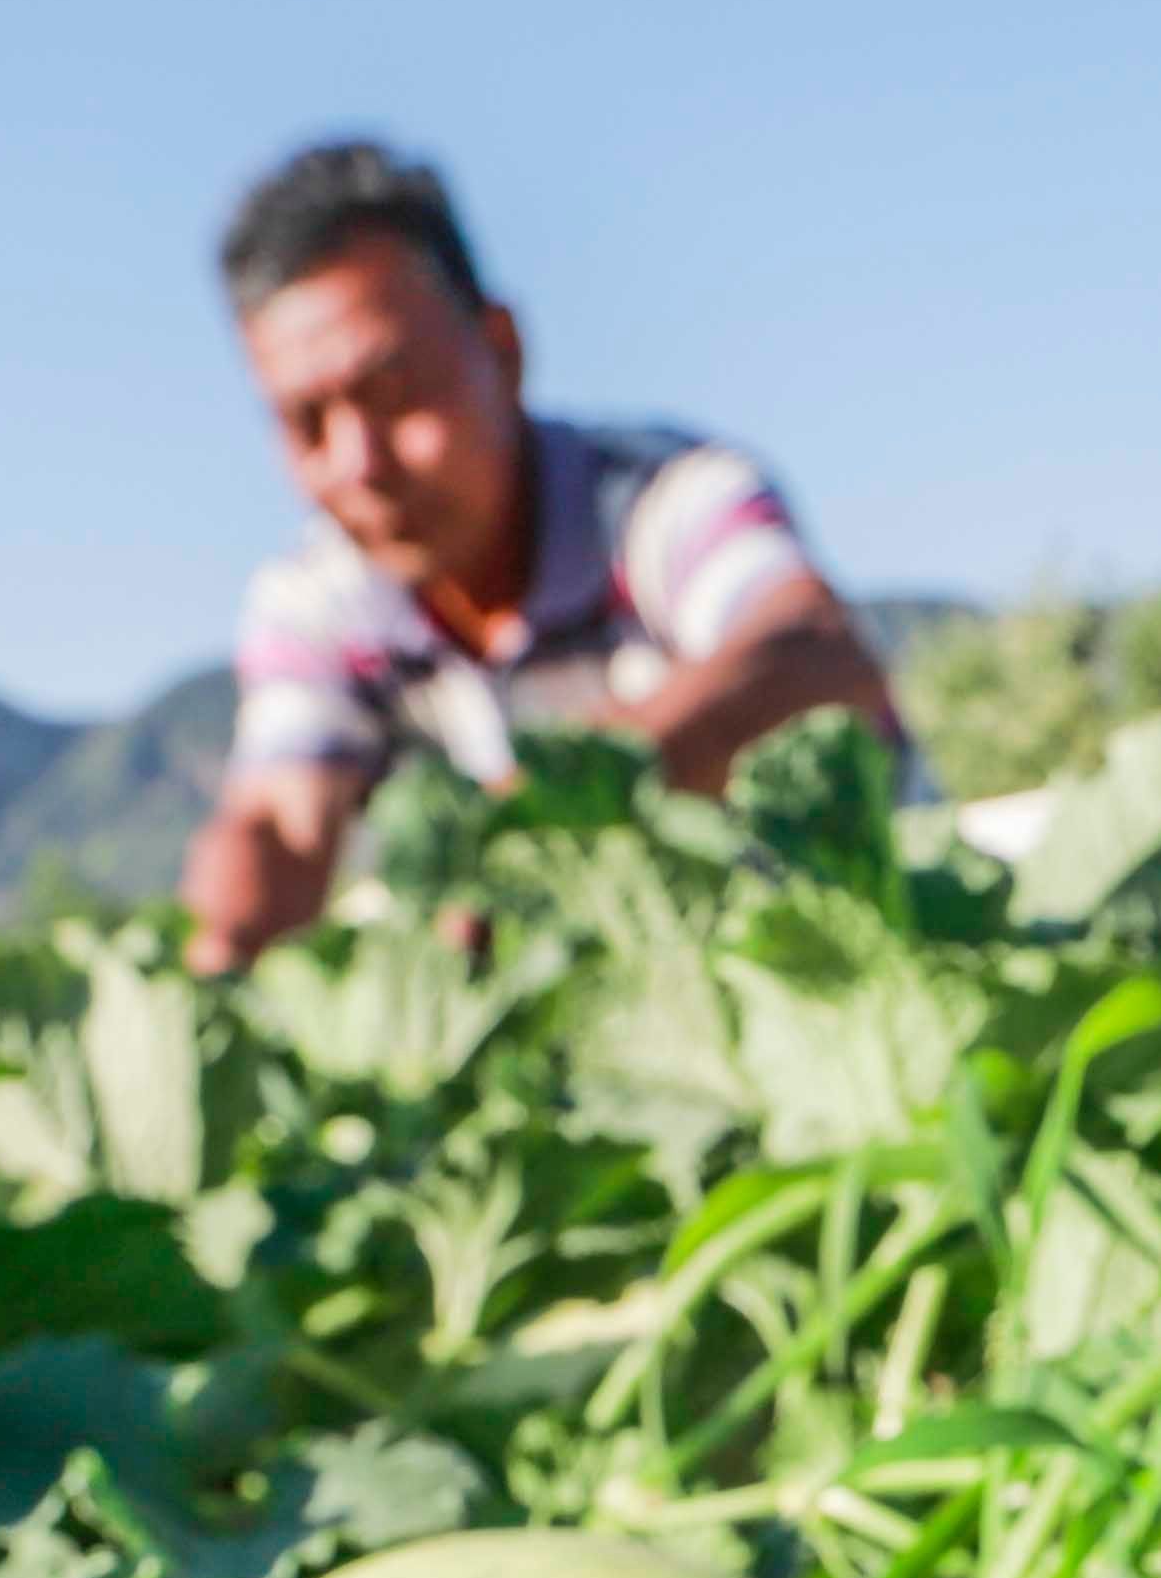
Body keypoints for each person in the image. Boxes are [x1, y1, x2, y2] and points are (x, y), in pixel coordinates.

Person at [179, 139, 897, 975]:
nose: (358, 464)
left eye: (396, 396)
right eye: (307, 425)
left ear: (504, 350)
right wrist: (227, 936)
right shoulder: (317, 601)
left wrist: (531, 826)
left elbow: (813, 651)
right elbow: (283, 826)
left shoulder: (662, 503)